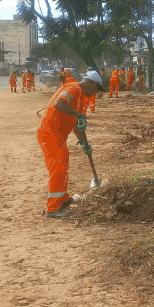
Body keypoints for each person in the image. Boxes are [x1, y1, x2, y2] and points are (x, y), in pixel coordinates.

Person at [37, 71, 105, 218]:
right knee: (58, 167)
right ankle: (53, 208)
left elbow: (76, 125)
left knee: (63, 164)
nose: (95, 93)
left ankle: (62, 198)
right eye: (96, 89)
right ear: (92, 83)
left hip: (58, 135)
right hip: (50, 132)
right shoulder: (73, 88)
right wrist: (79, 115)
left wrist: (84, 144)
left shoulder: (80, 97)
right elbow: (59, 104)